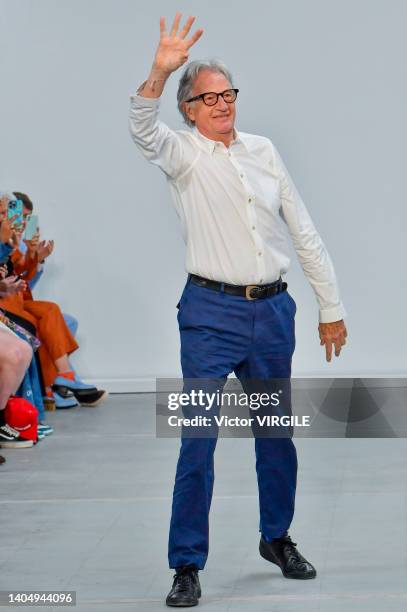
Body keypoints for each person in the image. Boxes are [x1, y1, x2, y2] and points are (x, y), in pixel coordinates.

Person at [129, 13, 348, 607]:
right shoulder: (183, 156)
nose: (223, 104)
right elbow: (142, 130)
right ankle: (186, 564)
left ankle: (276, 537)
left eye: (228, 94)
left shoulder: (264, 151)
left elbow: (301, 230)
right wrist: (158, 70)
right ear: (191, 110)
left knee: (277, 436)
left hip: (272, 314)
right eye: (209, 97)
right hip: (209, 314)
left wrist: (331, 305)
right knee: (197, 440)